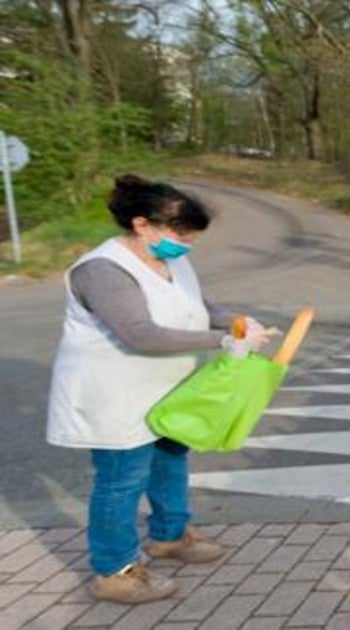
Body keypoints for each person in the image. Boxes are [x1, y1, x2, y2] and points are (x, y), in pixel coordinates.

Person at [46, 174, 276, 603]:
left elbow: (202, 307)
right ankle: (115, 571)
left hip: (167, 389)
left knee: (171, 461)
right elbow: (141, 333)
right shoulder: (101, 270)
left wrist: (236, 322)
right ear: (142, 225)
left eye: (191, 235)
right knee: (121, 481)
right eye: (180, 233)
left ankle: (170, 536)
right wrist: (223, 342)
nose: (187, 243)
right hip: (113, 396)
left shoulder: (172, 259)